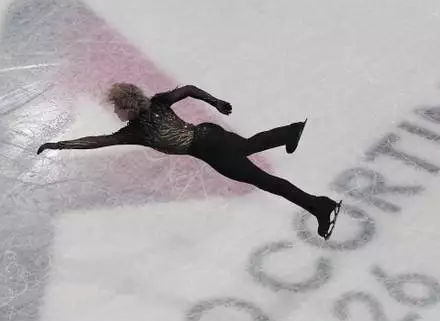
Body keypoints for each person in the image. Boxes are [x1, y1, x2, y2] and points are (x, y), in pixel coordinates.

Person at [37, 83, 342, 239]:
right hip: (210, 133)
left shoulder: (135, 132)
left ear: (128, 108)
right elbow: (189, 90)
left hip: (209, 150)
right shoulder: (158, 101)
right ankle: (289, 132)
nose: (115, 113)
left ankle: (320, 205)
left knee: (263, 180)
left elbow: (99, 141)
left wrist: (60, 144)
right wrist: (215, 103)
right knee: (246, 147)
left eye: (117, 108)